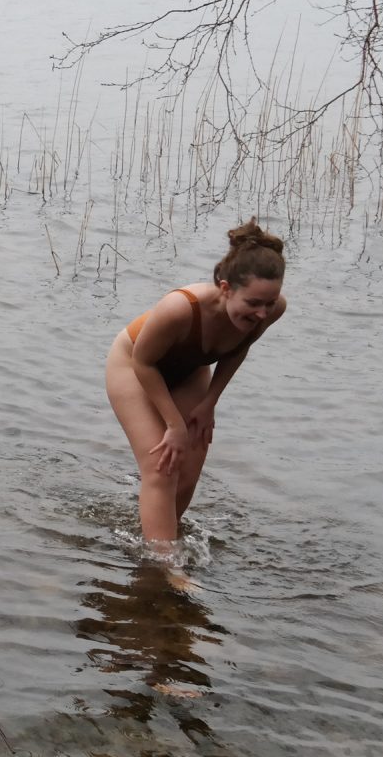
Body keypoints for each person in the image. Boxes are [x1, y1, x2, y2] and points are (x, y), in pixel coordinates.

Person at [105, 218, 287, 556]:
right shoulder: (180, 307)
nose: (263, 313)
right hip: (134, 366)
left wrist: (209, 403)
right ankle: (166, 567)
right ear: (225, 288)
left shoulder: (270, 311)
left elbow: (239, 348)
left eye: (270, 302)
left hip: (191, 372)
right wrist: (173, 424)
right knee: (162, 467)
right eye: (253, 304)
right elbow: (143, 363)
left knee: (188, 468)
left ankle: (157, 540)